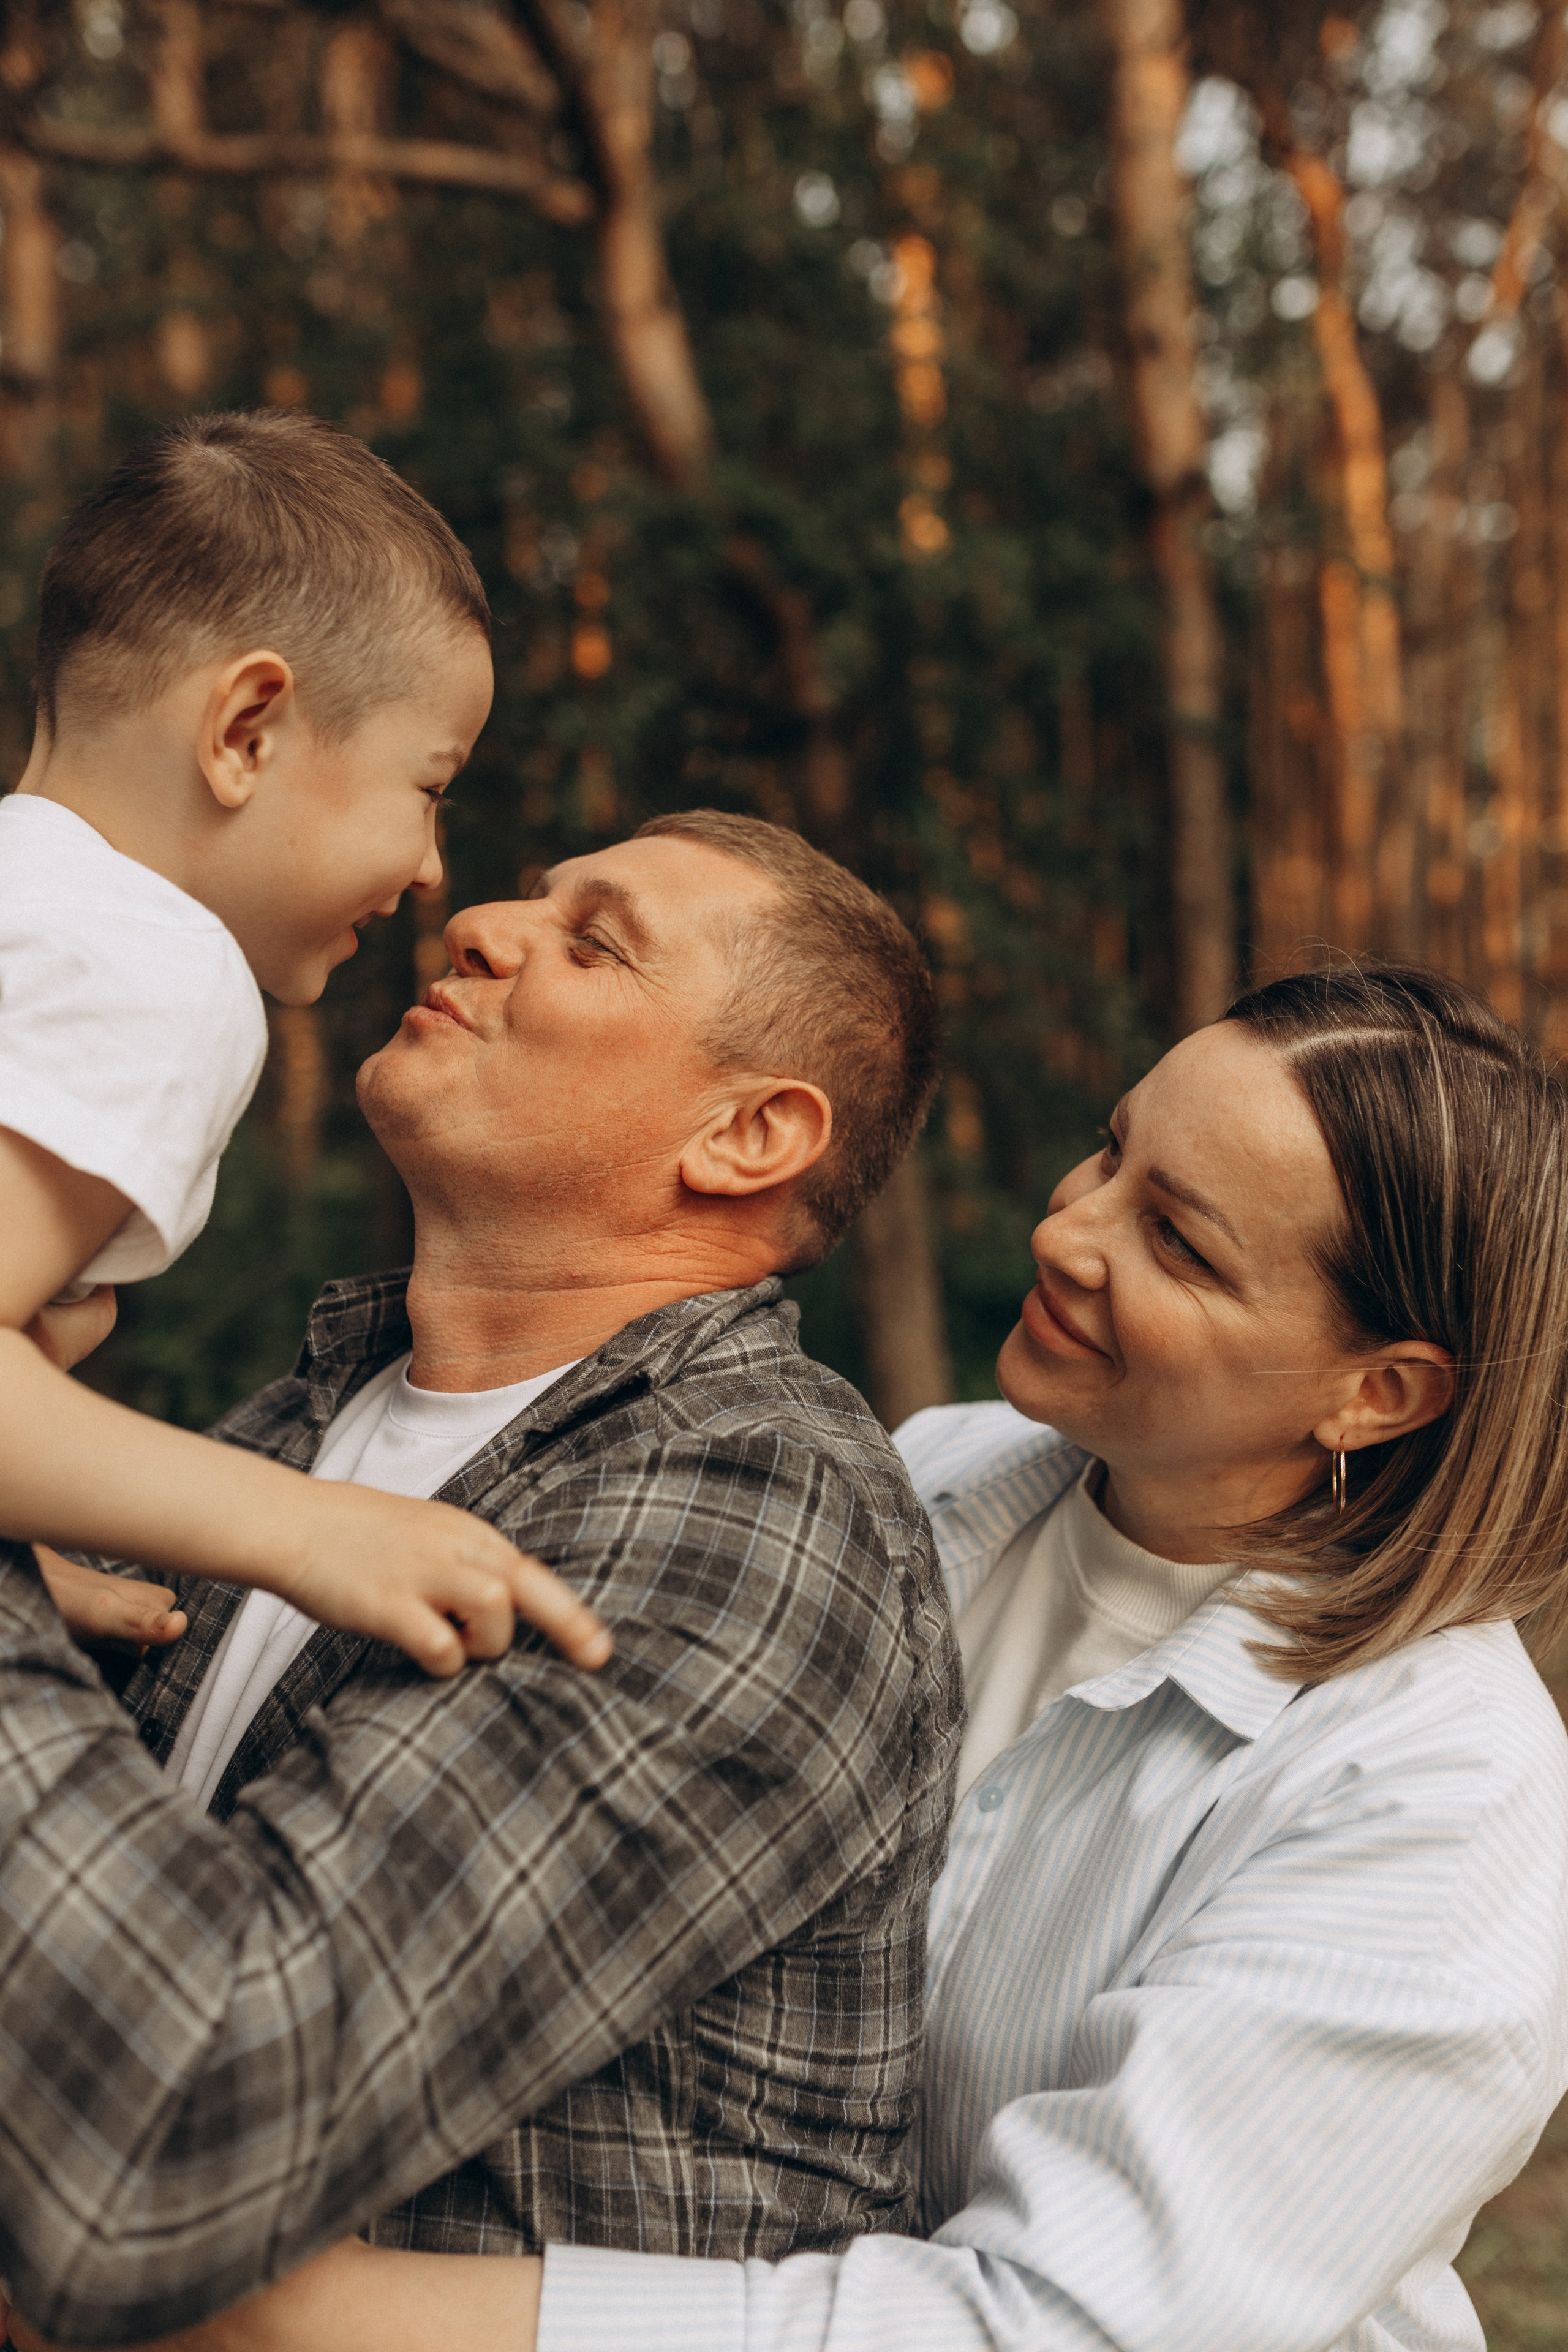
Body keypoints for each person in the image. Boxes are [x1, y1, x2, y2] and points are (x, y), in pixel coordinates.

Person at [83, 960, 1568, 2352]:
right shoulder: (921, 1481)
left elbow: (1052, 2328)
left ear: (1376, 1392)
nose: (1066, 1231)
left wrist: (296, 2316)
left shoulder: (1440, 1797)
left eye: (1175, 1241)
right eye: (1109, 1153)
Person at [0, 812, 962, 2350]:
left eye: (592, 940)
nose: (479, 923)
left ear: (745, 1137)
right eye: (529, 893)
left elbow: (168, 2137)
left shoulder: (755, 1515)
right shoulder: (304, 1424)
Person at [1, 409, 605, 1681]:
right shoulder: (151, 964)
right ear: (245, 733)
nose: (433, 872)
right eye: (428, 787)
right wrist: (306, 1527)